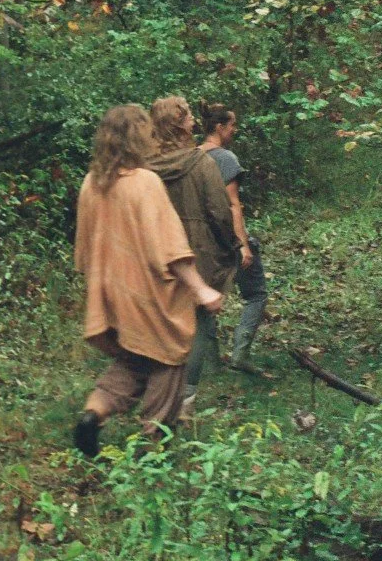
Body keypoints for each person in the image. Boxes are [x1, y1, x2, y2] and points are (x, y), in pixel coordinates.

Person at [73, 104, 223, 456]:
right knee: (168, 359)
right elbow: (169, 248)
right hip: (148, 293)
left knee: (132, 360)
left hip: (111, 295)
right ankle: (152, 444)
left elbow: (82, 252)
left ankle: (93, 414)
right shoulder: (145, 182)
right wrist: (201, 289)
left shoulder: (91, 183)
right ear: (138, 137)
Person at [148, 95, 239, 416]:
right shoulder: (201, 164)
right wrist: (232, 247)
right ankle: (183, 401)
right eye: (187, 118)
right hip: (196, 255)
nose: (193, 123)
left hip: (154, 256)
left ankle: (157, 396)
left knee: (160, 324)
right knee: (198, 323)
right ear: (179, 124)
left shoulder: (143, 169)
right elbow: (220, 211)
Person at [201, 103, 268, 375]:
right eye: (232, 125)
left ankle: (209, 363)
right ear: (219, 127)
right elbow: (232, 204)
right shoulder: (225, 158)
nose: (235, 130)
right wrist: (243, 245)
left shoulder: (191, 156)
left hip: (202, 242)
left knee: (206, 300)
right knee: (256, 294)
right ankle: (239, 355)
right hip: (228, 239)